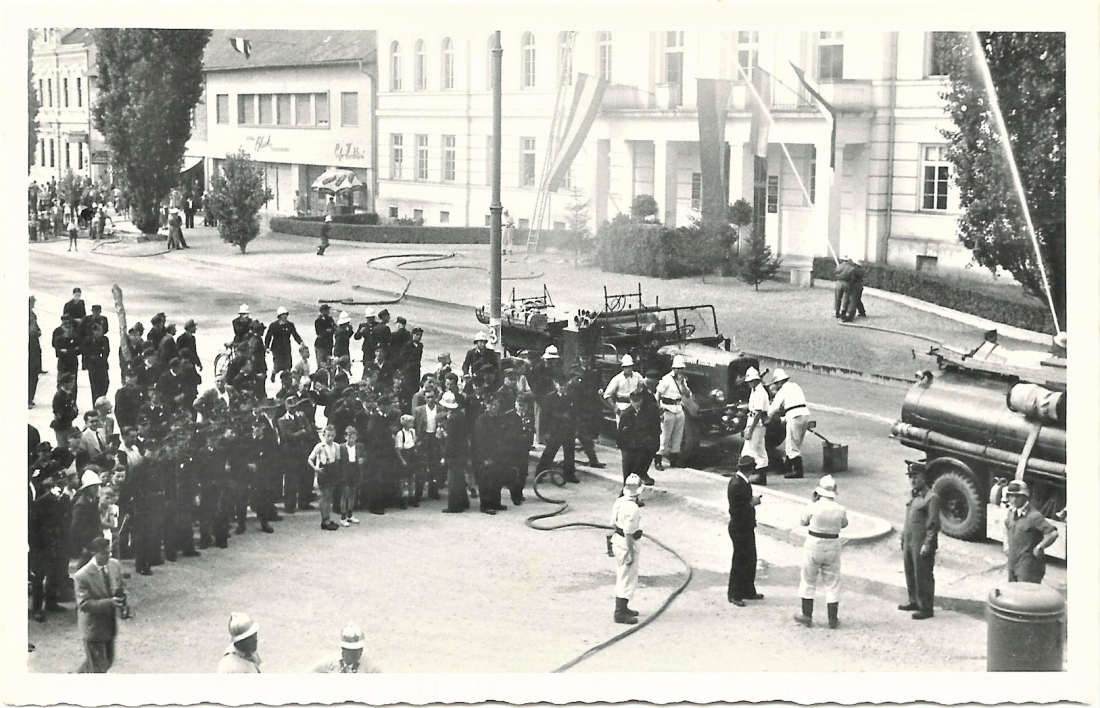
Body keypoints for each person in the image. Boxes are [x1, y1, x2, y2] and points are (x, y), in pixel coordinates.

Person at [793, 475, 848, 628]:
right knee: (832, 582)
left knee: (808, 580)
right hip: (833, 544)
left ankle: (807, 615)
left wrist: (812, 502)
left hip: (813, 543)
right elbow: (844, 524)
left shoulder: (813, 507)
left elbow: (803, 521)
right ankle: (832, 619)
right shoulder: (840, 509)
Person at [73, 537, 126, 673]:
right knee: (99, 668)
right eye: (104, 553)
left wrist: (124, 601)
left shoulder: (114, 565)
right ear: (94, 553)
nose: (108, 556)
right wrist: (110, 603)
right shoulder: (82, 576)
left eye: (110, 552)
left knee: (107, 661)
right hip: (94, 629)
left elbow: (120, 586)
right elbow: (84, 604)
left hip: (109, 625)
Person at [899, 461, 939, 620]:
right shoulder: (913, 495)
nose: (913, 480)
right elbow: (908, 518)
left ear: (924, 477)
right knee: (910, 570)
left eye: (916, 477)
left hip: (921, 542)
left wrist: (928, 544)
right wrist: (903, 536)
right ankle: (913, 600)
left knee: (923, 573)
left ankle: (926, 607)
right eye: (911, 477)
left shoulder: (931, 497)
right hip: (910, 540)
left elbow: (934, 524)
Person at [1002, 480, 1059, 583]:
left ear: (1025, 497)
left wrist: (1040, 547)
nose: (1014, 499)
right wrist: (1006, 544)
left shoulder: (1034, 516)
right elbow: (1006, 526)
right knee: (1011, 592)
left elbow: (1052, 533)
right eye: (1011, 496)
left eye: (1018, 496)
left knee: (1025, 595)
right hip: (1013, 561)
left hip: (1029, 566)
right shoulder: (1011, 513)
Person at [727, 455, 764, 607]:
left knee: (750, 559)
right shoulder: (737, 484)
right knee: (740, 561)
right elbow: (737, 509)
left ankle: (748, 589)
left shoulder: (741, 481)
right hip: (739, 527)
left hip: (746, 526)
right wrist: (752, 503)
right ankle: (734, 594)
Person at [610, 474, 644, 625]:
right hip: (626, 543)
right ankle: (619, 612)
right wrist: (630, 552)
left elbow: (613, 523)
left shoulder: (620, 501)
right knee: (627, 578)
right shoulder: (633, 508)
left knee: (623, 574)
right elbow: (629, 533)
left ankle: (624, 608)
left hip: (617, 541)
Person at [766, 369, 811, 479]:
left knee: (791, 444)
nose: (776, 386)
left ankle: (798, 471)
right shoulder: (795, 386)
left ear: (780, 382)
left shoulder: (783, 390)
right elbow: (795, 403)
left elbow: (775, 407)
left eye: (776, 383)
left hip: (794, 415)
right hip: (804, 414)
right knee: (795, 442)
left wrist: (767, 415)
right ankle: (787, 466)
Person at [654, 355, 691, 470]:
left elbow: (688, 394)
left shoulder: (682, 380)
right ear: (673, 368)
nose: (679, 371)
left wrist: (683, 384)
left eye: (681, 368)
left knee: (677, 436)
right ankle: (658, 460)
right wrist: (658, 409)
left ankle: (674, 460)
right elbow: (658, 394)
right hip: (667, 408)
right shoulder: (667, 379)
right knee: (664, 436)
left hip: (678, 407)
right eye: (677, 368)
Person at [617, 390, 660, 485]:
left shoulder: (645, 412)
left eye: (638, 401)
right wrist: (621, 446)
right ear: (630, 401)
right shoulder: (626, 414)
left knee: (637, 471)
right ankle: (625, 495)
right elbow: (621, 432)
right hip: (628, 446)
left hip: (640, 445)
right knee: (628, 472)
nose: (636, 404)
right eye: (634, 401)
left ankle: (634, 494)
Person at [739, 367, 770, 485]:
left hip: (757, 424)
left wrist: (750, 430)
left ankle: (744, 476)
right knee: (760, 451)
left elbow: (758, 414)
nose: (749, 383)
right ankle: (761, 477)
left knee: (748, 450)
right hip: (753, 421)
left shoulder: (760, 393)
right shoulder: (755, 391)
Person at [308, 622, 382, 673]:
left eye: (358, 650)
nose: (355, 654)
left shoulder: (371, 668)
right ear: (343, 649)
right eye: (351, 651)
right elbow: (304, 676)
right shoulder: (328, 663)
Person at [309, 424, 342, 530]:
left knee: (329, 497)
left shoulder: (336, 446)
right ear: (323, 435)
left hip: (332, 472)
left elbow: (338, 459)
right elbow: (310, 458)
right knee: (324, 497)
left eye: (332, 436)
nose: (330, 438)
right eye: (328, 436)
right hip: (323, 473)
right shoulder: (320, 446)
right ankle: (324, 520)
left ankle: (328, 518)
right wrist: (315, 468)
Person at [265, 306, 305, 383]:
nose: (285, 316)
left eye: (286, 315)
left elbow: (295, 334)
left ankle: (286, 379)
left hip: (286, 347)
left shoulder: (290, 325)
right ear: (279, 316)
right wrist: (267, 347)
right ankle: (274, 372)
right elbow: (268, 336)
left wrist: (300, 342)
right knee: (278, 364)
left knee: (288, 364)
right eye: (283, 315)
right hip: (277, 348)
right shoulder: (274, 325)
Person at [603, 354, 644, 421]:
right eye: (626, 367)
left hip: (635, 406)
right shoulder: (617, 379)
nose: (628, 369)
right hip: (622, 406)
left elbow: (643, 383)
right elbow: (607, 395)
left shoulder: (637, 376)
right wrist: (615, 407)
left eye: (630, 366)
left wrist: (638, 389)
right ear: (622, 368)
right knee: (623, 427)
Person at [30, 296, 43, 408]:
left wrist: (38, 330)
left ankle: (30, 397)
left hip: (34, 340)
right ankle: (28, 398)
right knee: (31, 374)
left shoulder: (32, 314)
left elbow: (35, 325)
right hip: (30, 341)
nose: (33, 304)